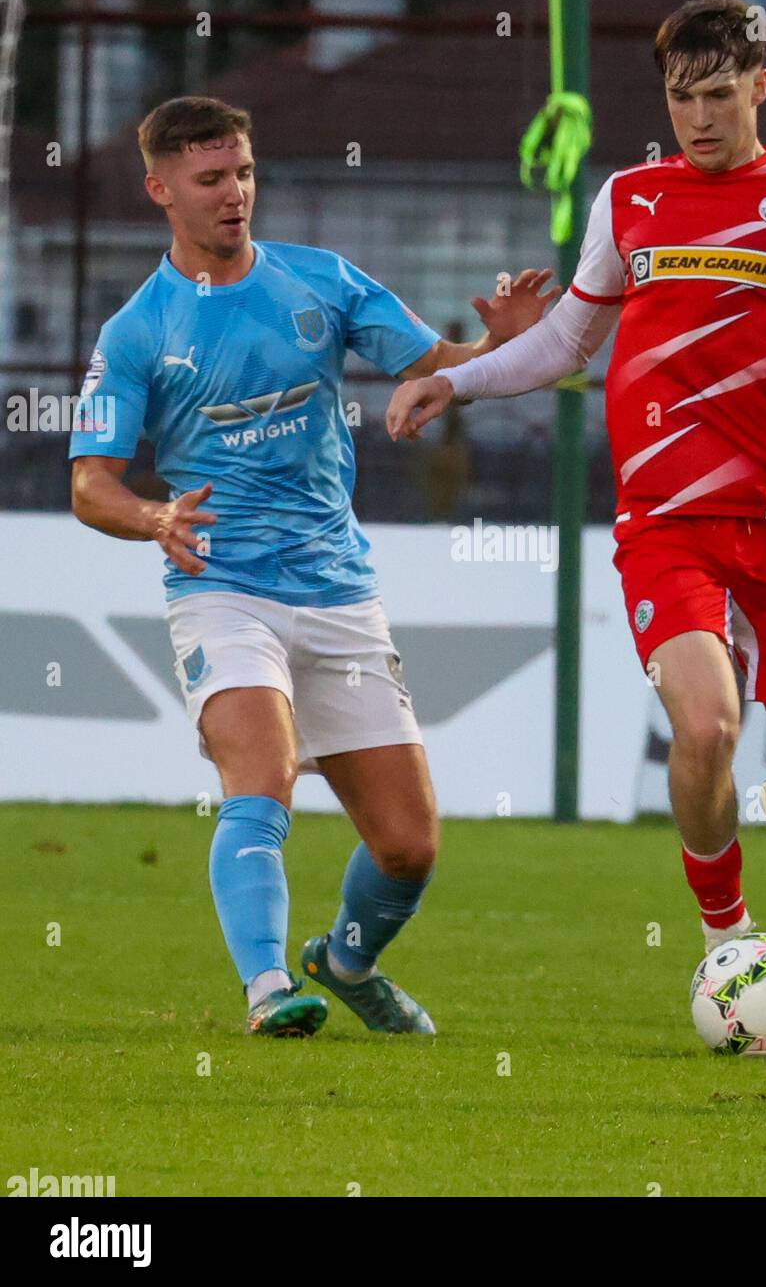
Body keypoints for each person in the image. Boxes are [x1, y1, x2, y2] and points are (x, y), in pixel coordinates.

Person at [385, 0, 766, 954]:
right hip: (666, 524)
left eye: (720, 93)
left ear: (761, 85)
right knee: (709, 727)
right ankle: (729, 931)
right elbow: (563, 342)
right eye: (682, 98)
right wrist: (458, 383)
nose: (701, 117)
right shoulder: (629, 199)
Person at [69, 96, 558, 1034]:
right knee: (263, 773)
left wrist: (507, 343)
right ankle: (265, 992)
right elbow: (92, 484)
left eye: (244, 173)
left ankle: (343, 959)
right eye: (211, 179)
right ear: (160, 189)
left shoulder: (320, 283)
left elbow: (439, 367)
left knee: (410, 848)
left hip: (337, 593)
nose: (235, 194)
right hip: (222, 589)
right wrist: (153, 515)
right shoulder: (138, 331)